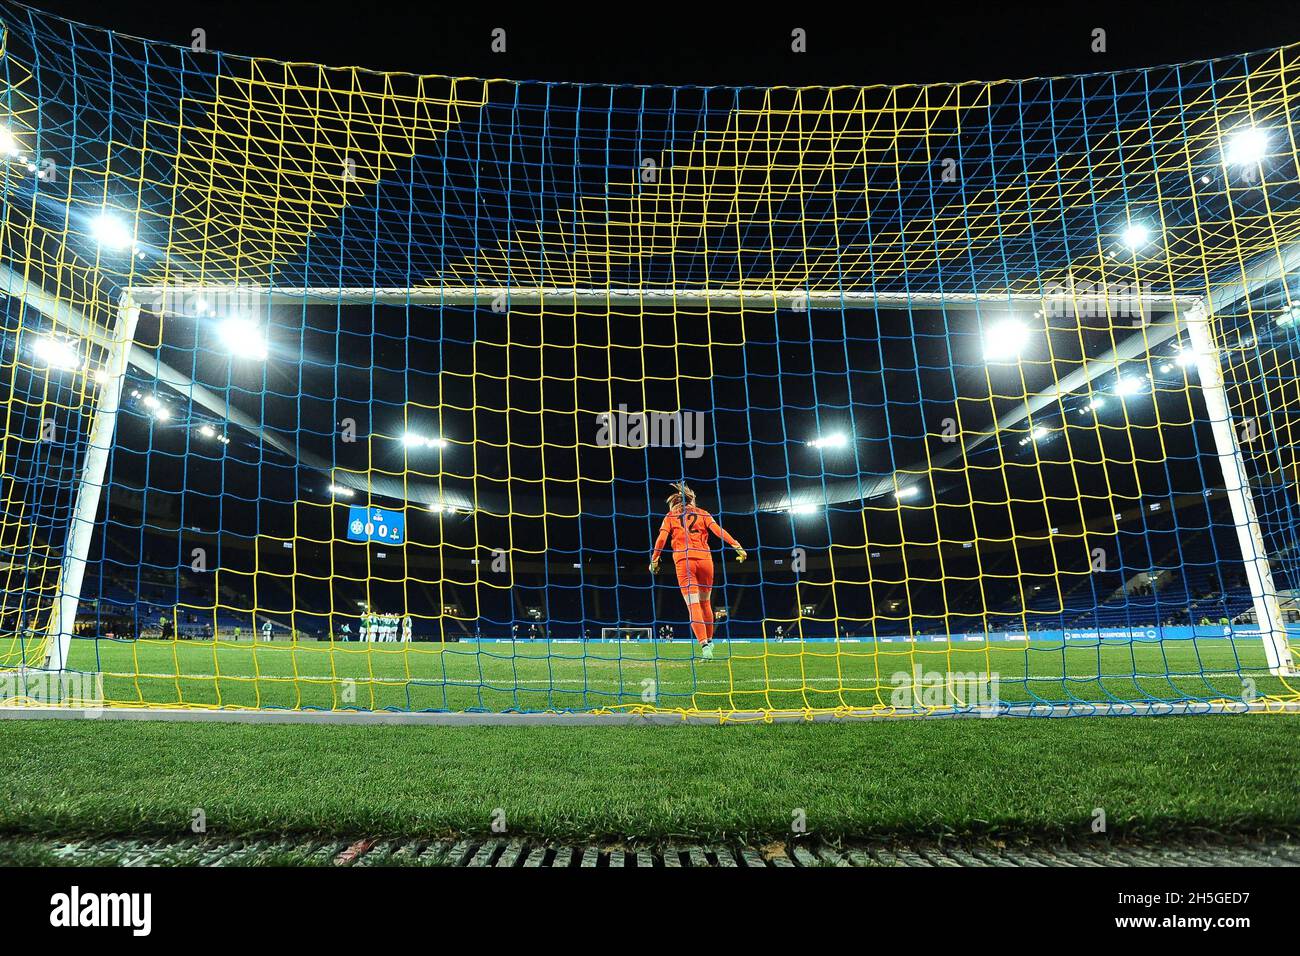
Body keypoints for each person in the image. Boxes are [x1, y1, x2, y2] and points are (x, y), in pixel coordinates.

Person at [649, 482, 746, 660]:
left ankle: (704, 646)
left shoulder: (670, 516)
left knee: (692, 605)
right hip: (705, 560)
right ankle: (709, 640)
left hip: (684, 561)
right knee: (705, 603)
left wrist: (654, 559)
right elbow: (718, 530)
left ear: (674, 503)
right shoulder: (703, 513)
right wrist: (736, 545)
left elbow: (661, 538)